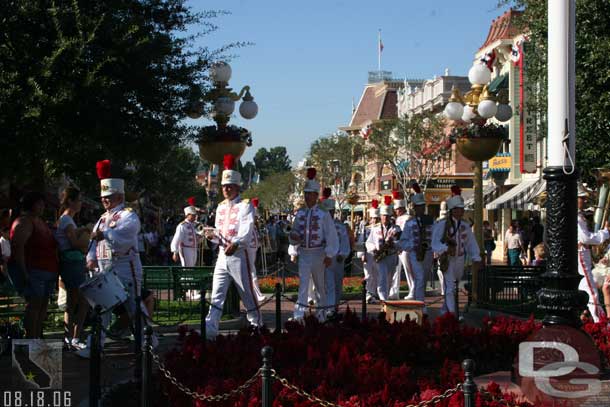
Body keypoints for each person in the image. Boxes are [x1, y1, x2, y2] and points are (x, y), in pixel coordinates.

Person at [78, 160, 153, 358]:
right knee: (102, 308)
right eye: (103, 197)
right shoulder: (102, 218)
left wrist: (106, 236)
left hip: (125, 267)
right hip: (105, 269)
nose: (105, 200)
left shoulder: (129, 216)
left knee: (133, 306)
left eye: (108, 197)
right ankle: (95, 346)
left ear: (119, 196)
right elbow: (94, 241)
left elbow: (125, 238)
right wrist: (91, 258)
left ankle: (147, 339)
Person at [203, 155, 263, 337]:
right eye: (224, 186)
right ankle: (210, 330)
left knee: (246, 294)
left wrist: (236, 243)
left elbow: (246, 230)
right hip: (222, 256)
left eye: (229, 186)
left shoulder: (246, 206)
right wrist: (211, 235)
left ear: (237, 187)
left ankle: (257, 326)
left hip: (238, 255)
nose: (226, 189)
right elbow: (220, 233)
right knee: (216, 294)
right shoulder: (220, 207)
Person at [288, 168, 339, 321]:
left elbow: (331, 235)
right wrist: (293, 239)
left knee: (319, 286)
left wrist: (330, 254)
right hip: (304, 252)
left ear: (316, 196)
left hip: (318, 254)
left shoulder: (323, 214)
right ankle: (299, 315)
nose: (307, 197)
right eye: (306, 194)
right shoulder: (300, 213)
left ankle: (321, 313)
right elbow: (294, 232)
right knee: (303, 285)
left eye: (310, 194)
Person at [7, 192, 59, 338]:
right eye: (40, 203)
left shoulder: (39, 221)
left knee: (42, 305)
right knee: (34, 306)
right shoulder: (24, 222)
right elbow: (18, 247)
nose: (43, 206)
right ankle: (31, 339)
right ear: (31, 204)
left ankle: (37, 336)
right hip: (34, 270)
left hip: (47, 270)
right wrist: (24, 272)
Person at [431, 186, 481, 315]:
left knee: (454, 285)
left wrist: (476, 256)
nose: (460, 211)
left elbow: (470, 242)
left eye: (462, 209)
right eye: (458, 209)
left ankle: (445, 309)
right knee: (450, 287)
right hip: (448, 259)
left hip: (460, 259)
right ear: (452, 210)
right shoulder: (442, 224)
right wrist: (446, 249)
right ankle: (452, 314)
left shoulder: (464, 225)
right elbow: (435, 242)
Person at [55, 187, 88, 350]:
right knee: (80, 300)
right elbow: (74, 243)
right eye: (79, 200)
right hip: (72, 263)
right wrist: (88, 240)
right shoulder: (67, 219)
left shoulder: (66, 220)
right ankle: (73, 337)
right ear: (71, 201)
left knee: (75, 301)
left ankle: (71, 337)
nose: (81, 204)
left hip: (72, 263)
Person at [576, 184, 609, 322]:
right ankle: (601, 324)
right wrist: (605, 233)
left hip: (583, 255)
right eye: (581, 198)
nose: (584, 201)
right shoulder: (576, 216)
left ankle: (588, 317)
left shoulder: (577, 215)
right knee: (592, 292)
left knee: (587, 288)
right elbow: (586, 238)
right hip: (582, 255)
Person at [398, 185, 433, 310]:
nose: (421, 209)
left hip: (428, 253)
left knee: (424, 279)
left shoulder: (429, 220)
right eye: (419, 207)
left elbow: (434, 237)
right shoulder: (409, 222)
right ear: (414, 208)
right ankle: (420, 305)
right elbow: (402, 241)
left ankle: (419, 299)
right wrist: (414, 247)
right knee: (419, 277)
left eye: (423, 206)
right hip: (415, 254)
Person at [320, 188, 351, 315]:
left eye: (330, 212)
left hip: (337, 259)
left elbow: (345, 241)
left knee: (337, 284)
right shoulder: (319, 225)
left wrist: (343, 254)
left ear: (333, 212)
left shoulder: (340, 226)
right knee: (328, 284)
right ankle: (328, 309)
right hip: (324, 259)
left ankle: (334, 307)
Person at [366, 196, 400, 301]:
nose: (385, 218)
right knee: (382, 278)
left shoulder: (396, 229)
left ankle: (386, 297)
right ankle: (383, 299)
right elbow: (369, 242)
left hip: (391, 256)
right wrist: (374, 249)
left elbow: (401, 242)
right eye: (383, 216)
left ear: (390, 216)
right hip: (380, 258)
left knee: (389, 279)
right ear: (380, 216)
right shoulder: (375, 228)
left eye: (387, 216)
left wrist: (393, 244)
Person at [356, 202, 380, 303]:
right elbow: (361, 241)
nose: (374, 220)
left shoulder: (381, 229)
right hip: (368, 255)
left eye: (376, 218)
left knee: (377, 275)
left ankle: (375, 294)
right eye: (373, 218)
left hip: (379, 255)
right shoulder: (366, 229)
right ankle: (369, 293)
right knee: (369, 275)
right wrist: (362, 255)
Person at [391, 190, 411, 299]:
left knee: (409, 270)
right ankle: (394, 292)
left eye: (397, 209)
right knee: (395, 271)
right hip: (397, 247)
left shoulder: (408, 218)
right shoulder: (397, 219)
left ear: (402, 208)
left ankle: (412, 291)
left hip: (406, 248)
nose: (396, 211)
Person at [170, 197, 200, 268]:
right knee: (187, 268)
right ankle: (186, 279)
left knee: (192, 267)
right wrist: (175, 252)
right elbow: (177, 239)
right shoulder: (182, 225)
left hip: (194, 248)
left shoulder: (194, 225)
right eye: (193, 215)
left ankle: (190, 279)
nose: (194, 216)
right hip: (185, 249)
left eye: (195, 215)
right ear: (187, 215)